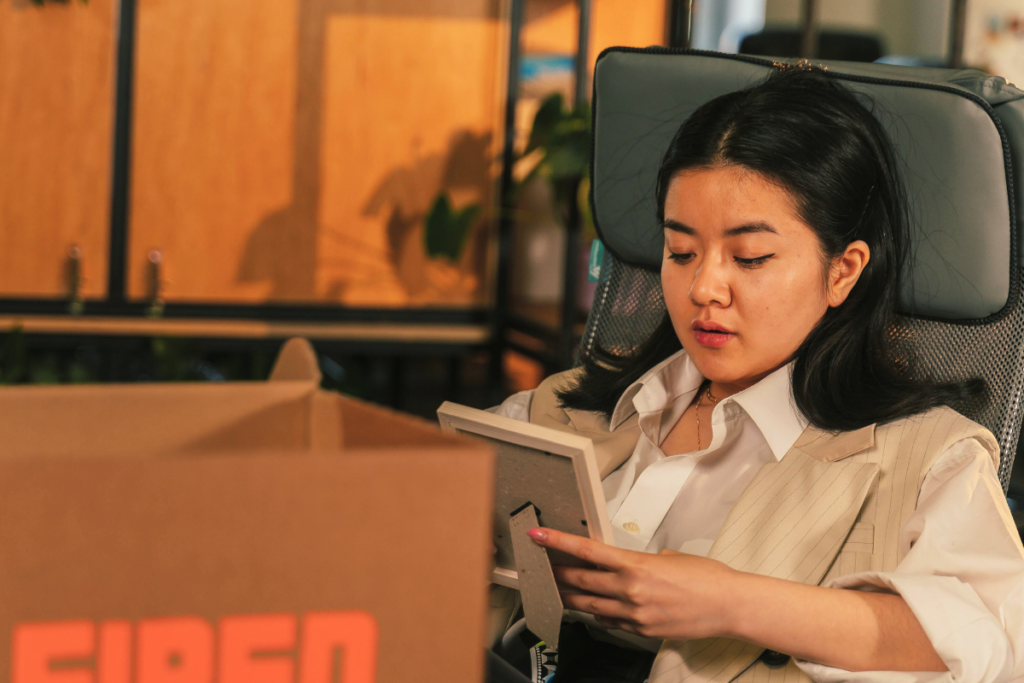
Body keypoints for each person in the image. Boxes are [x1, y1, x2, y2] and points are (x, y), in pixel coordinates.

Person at [484, 65, 1024, 683]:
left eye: (751, 257)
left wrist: (732, 601)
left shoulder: (929, 459)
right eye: (680, 252)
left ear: (843, 270)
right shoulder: (563, 408)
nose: (703, 287)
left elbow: (994, 644)